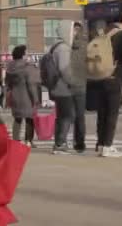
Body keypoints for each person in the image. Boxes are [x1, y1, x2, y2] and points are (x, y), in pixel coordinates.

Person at [94, 16, 122, 158]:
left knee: (102, 113)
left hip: (100, 76)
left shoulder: (103, 34)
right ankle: (108, 146)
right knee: (112, 113)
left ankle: (101, 144)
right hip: (115, 76)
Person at [50, 21, 77, 155]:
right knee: (67, 115)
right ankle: (60, 143)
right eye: (73, 31)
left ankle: (58, 142)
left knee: (61, 116)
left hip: (56, 87)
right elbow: (64, 69)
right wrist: (73, 82)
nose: (74, 33)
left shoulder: (55, 46)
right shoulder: (64, 48)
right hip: (63, 87)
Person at [5, 45, 40, 147]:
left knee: (17, 118)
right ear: (23, 55)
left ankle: (15, 140)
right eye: (26, 53)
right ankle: (28, 141)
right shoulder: (27, 67)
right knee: (29, 118)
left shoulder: (10, 67)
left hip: (15, 95)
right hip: (27, 97)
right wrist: (35, 98)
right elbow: (31, 84)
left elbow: (7, 83)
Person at [70, 22, 88, 153]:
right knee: (80, 116)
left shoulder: (66, 45)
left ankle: (63, 142)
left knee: (67, 116)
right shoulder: (87, 44)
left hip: (69, 85)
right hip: (81, 84)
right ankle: (80, 143)